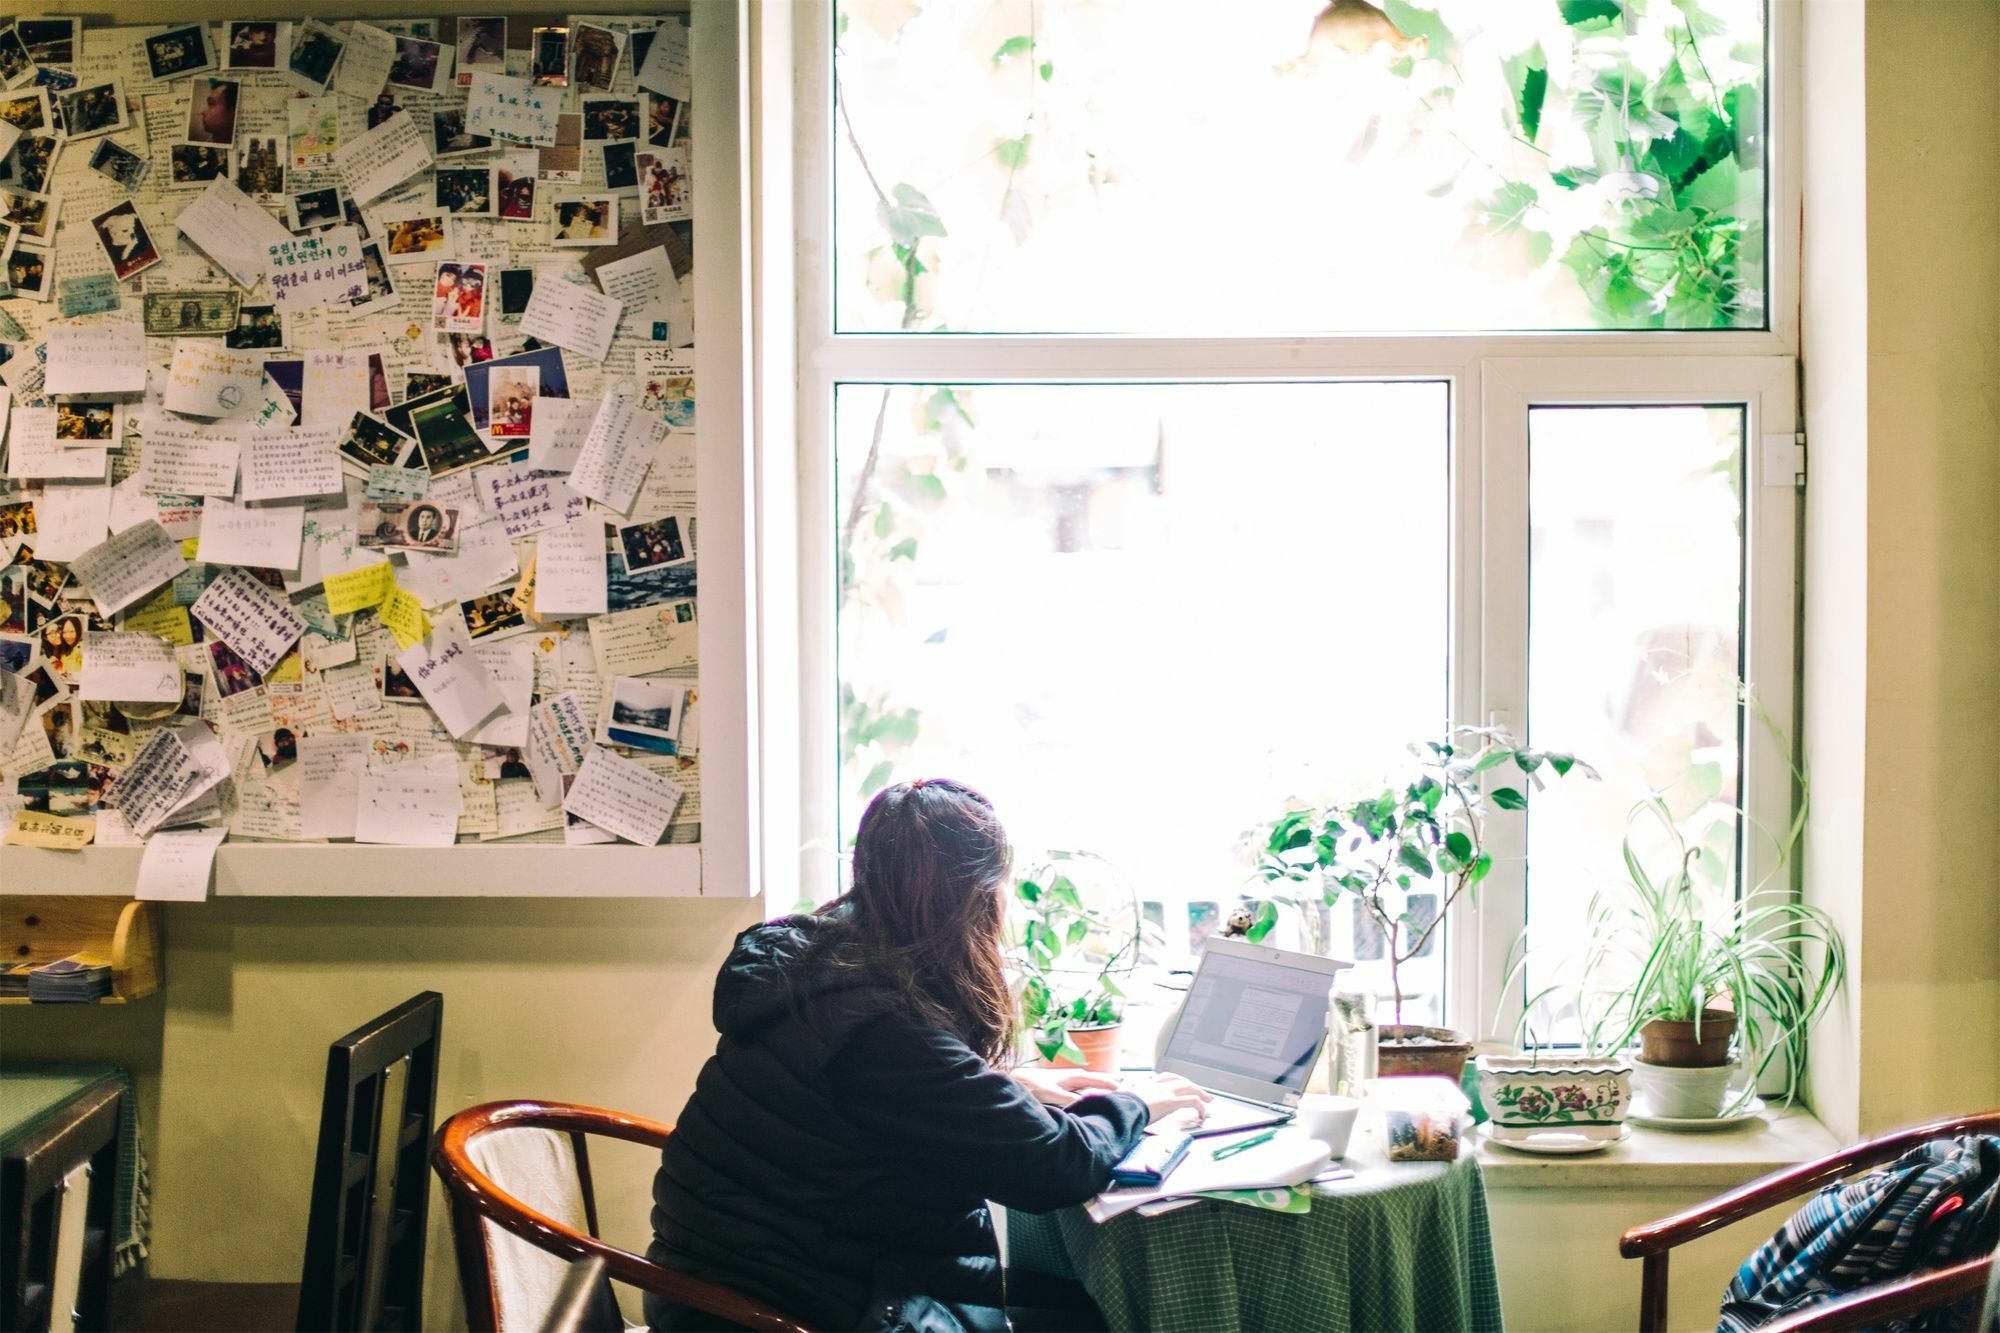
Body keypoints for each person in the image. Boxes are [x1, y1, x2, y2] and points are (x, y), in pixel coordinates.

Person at [645, 779, 1210, 1333]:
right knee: (1098, 1317)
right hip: (793, 1307)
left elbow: (867, 1095)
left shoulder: (818, 967)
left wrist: (1004, 1084)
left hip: (723, 1277)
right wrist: (1140, 1103)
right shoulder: (883, 1031)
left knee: (1071, 1305)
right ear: (977, 896)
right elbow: (1052, 1168)